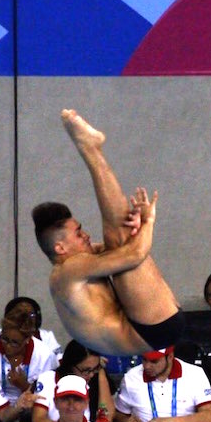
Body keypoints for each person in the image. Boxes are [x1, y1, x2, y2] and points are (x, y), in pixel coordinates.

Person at [33, 109, 183, 357]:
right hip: (150, 330)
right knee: (120, 237)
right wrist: (148, 220)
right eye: (78, 233)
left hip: (147, 326)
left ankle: (92, 148)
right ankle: (90, 149)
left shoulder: (76, 265)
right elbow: (135, 254)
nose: (86, 235)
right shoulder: (68, 271)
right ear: (60, 248)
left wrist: (136, 225)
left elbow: (121, 250)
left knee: (119, 239)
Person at [0, 305, 57, 422]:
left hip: (28, 412)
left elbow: (46, 396)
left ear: (28, 339)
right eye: (5, 339)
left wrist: (23, 385)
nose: (8, 346)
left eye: (15, 342)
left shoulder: (43, 354)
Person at [111, 345, 211, 422]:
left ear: (170, 357)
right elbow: (118, 414)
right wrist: (126, 421)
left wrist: (169, 421)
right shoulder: (131, 377)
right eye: (144, 359)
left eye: (154, 361)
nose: (147, 366)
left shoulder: (195, 374)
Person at [32, 340, 114, 422]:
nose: (91, 374)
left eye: (95, 368)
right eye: (86, 370)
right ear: (70, 365)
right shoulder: (48, 379)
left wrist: (100, 371)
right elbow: (39, 421)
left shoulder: (94, 378)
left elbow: (107, 418)